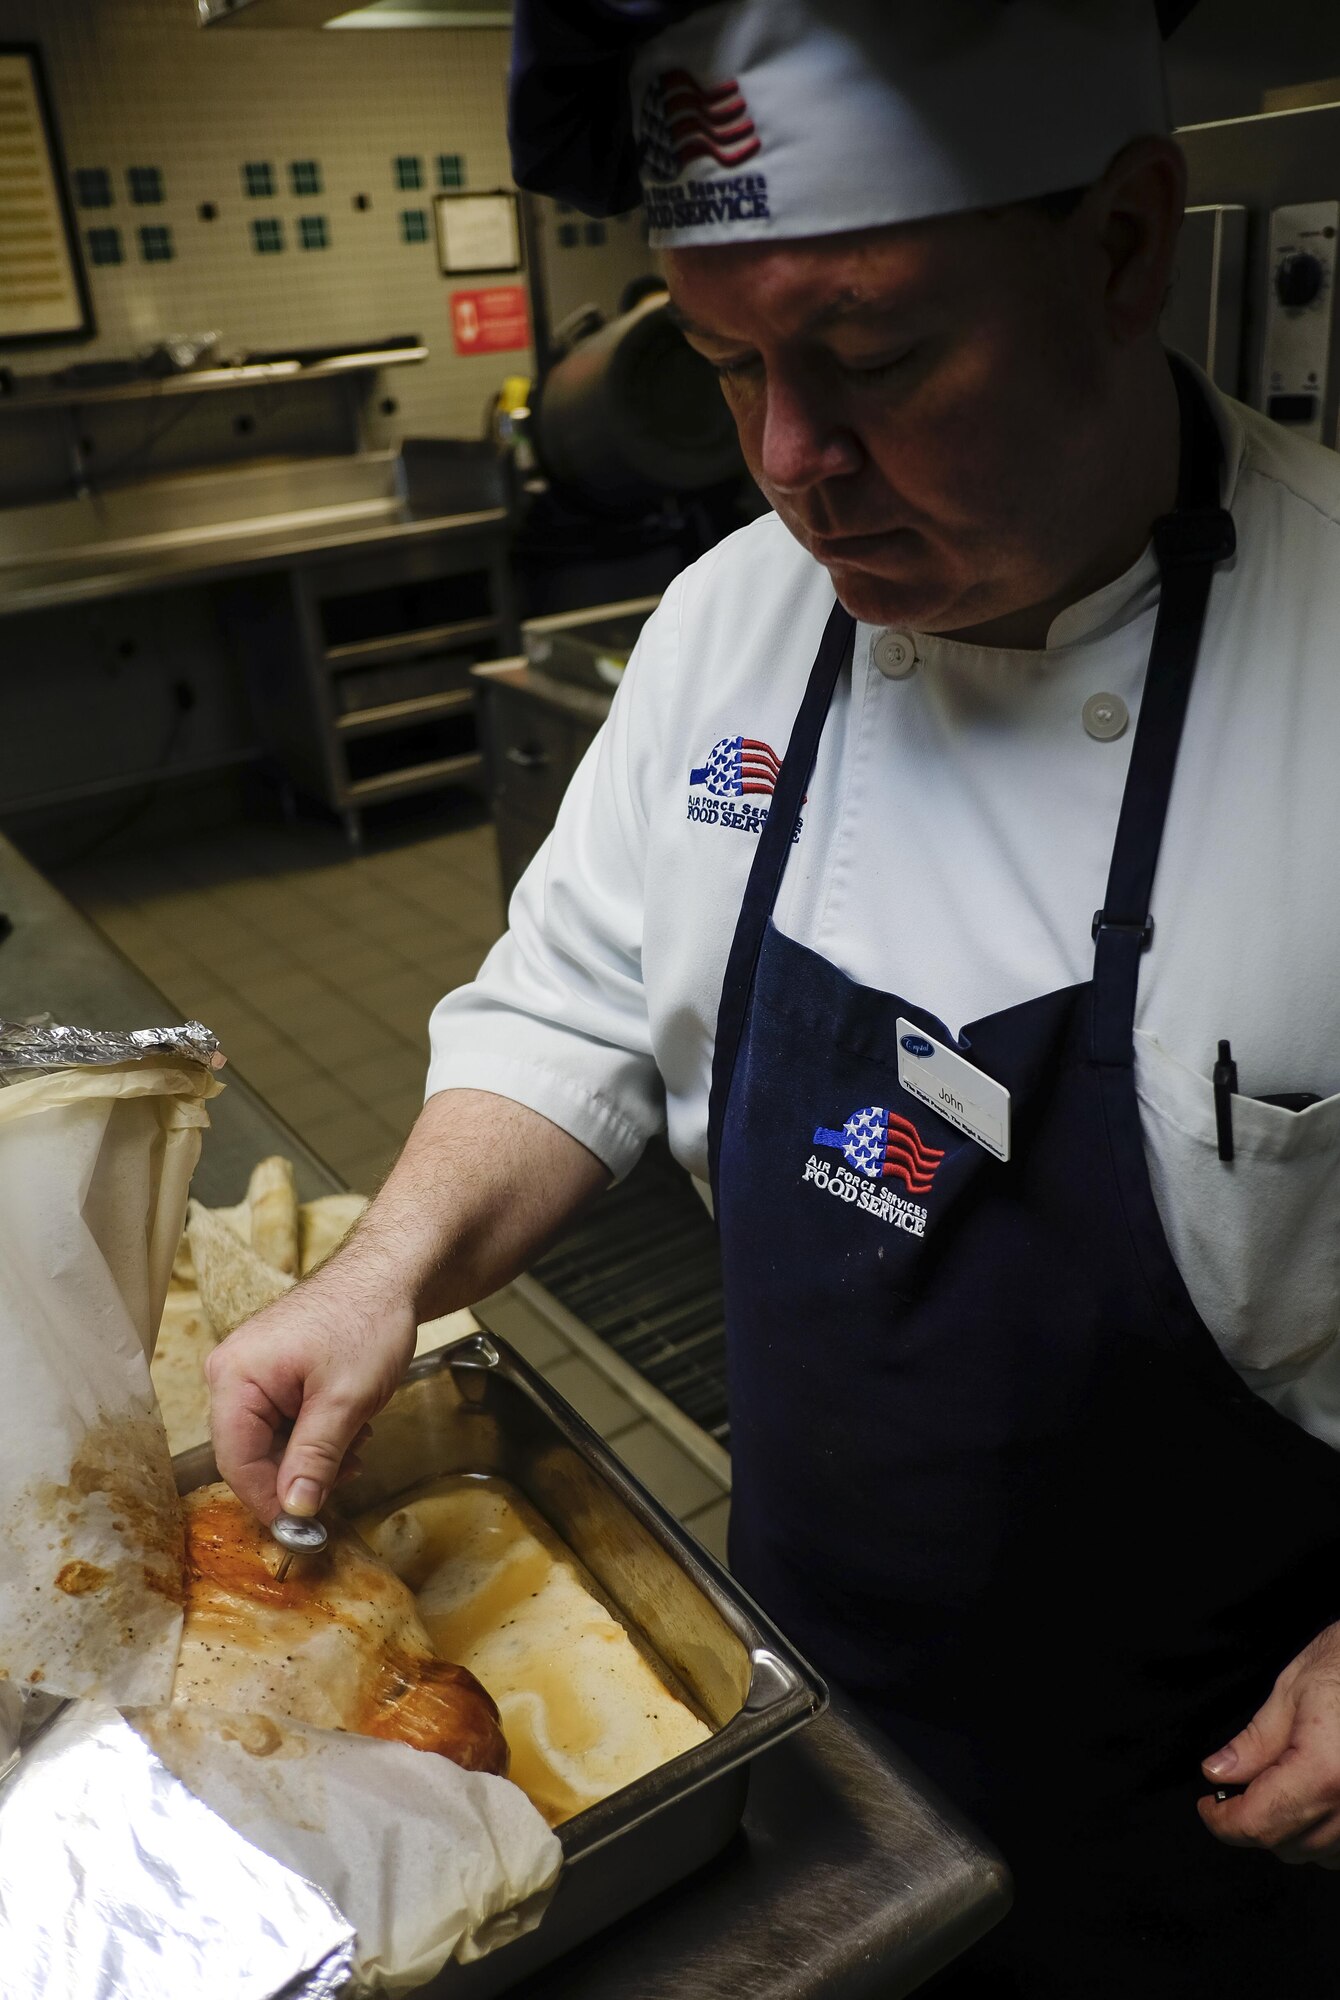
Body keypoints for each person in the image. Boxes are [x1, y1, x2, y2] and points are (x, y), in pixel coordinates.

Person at [208, 1, 1340, 1986]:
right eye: (727, 367)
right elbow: (573, 1008)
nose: (794, 464)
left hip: (1224, 1783)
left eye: (872, 356)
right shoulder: (730, 623)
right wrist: (388, 1266)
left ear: (1122, 243)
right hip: (798, 1684)